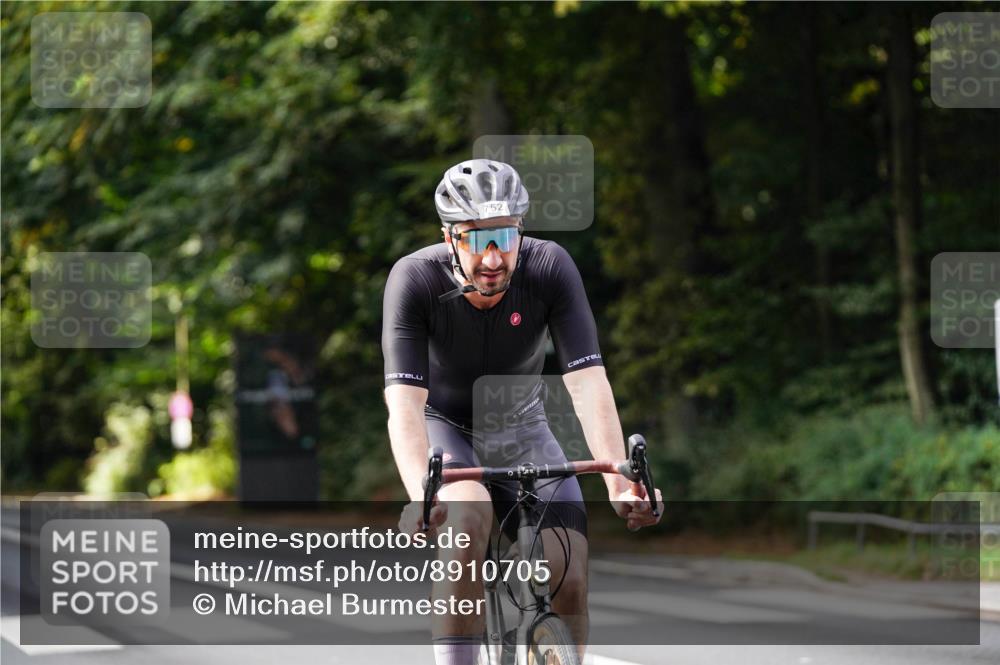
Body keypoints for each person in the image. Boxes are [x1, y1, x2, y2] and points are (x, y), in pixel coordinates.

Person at [382, 159, 663, 665]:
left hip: (523, 427)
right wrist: (420, 495)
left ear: (521, 233)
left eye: (505, 238)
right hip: (448, 429)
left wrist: (619, 482)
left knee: (570, 575)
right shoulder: (414, 280)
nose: (493, 258)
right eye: (477, 239)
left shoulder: (550, 266)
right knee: (466, 523)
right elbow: (404, 405)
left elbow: (587, 381)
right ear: (450, 238)